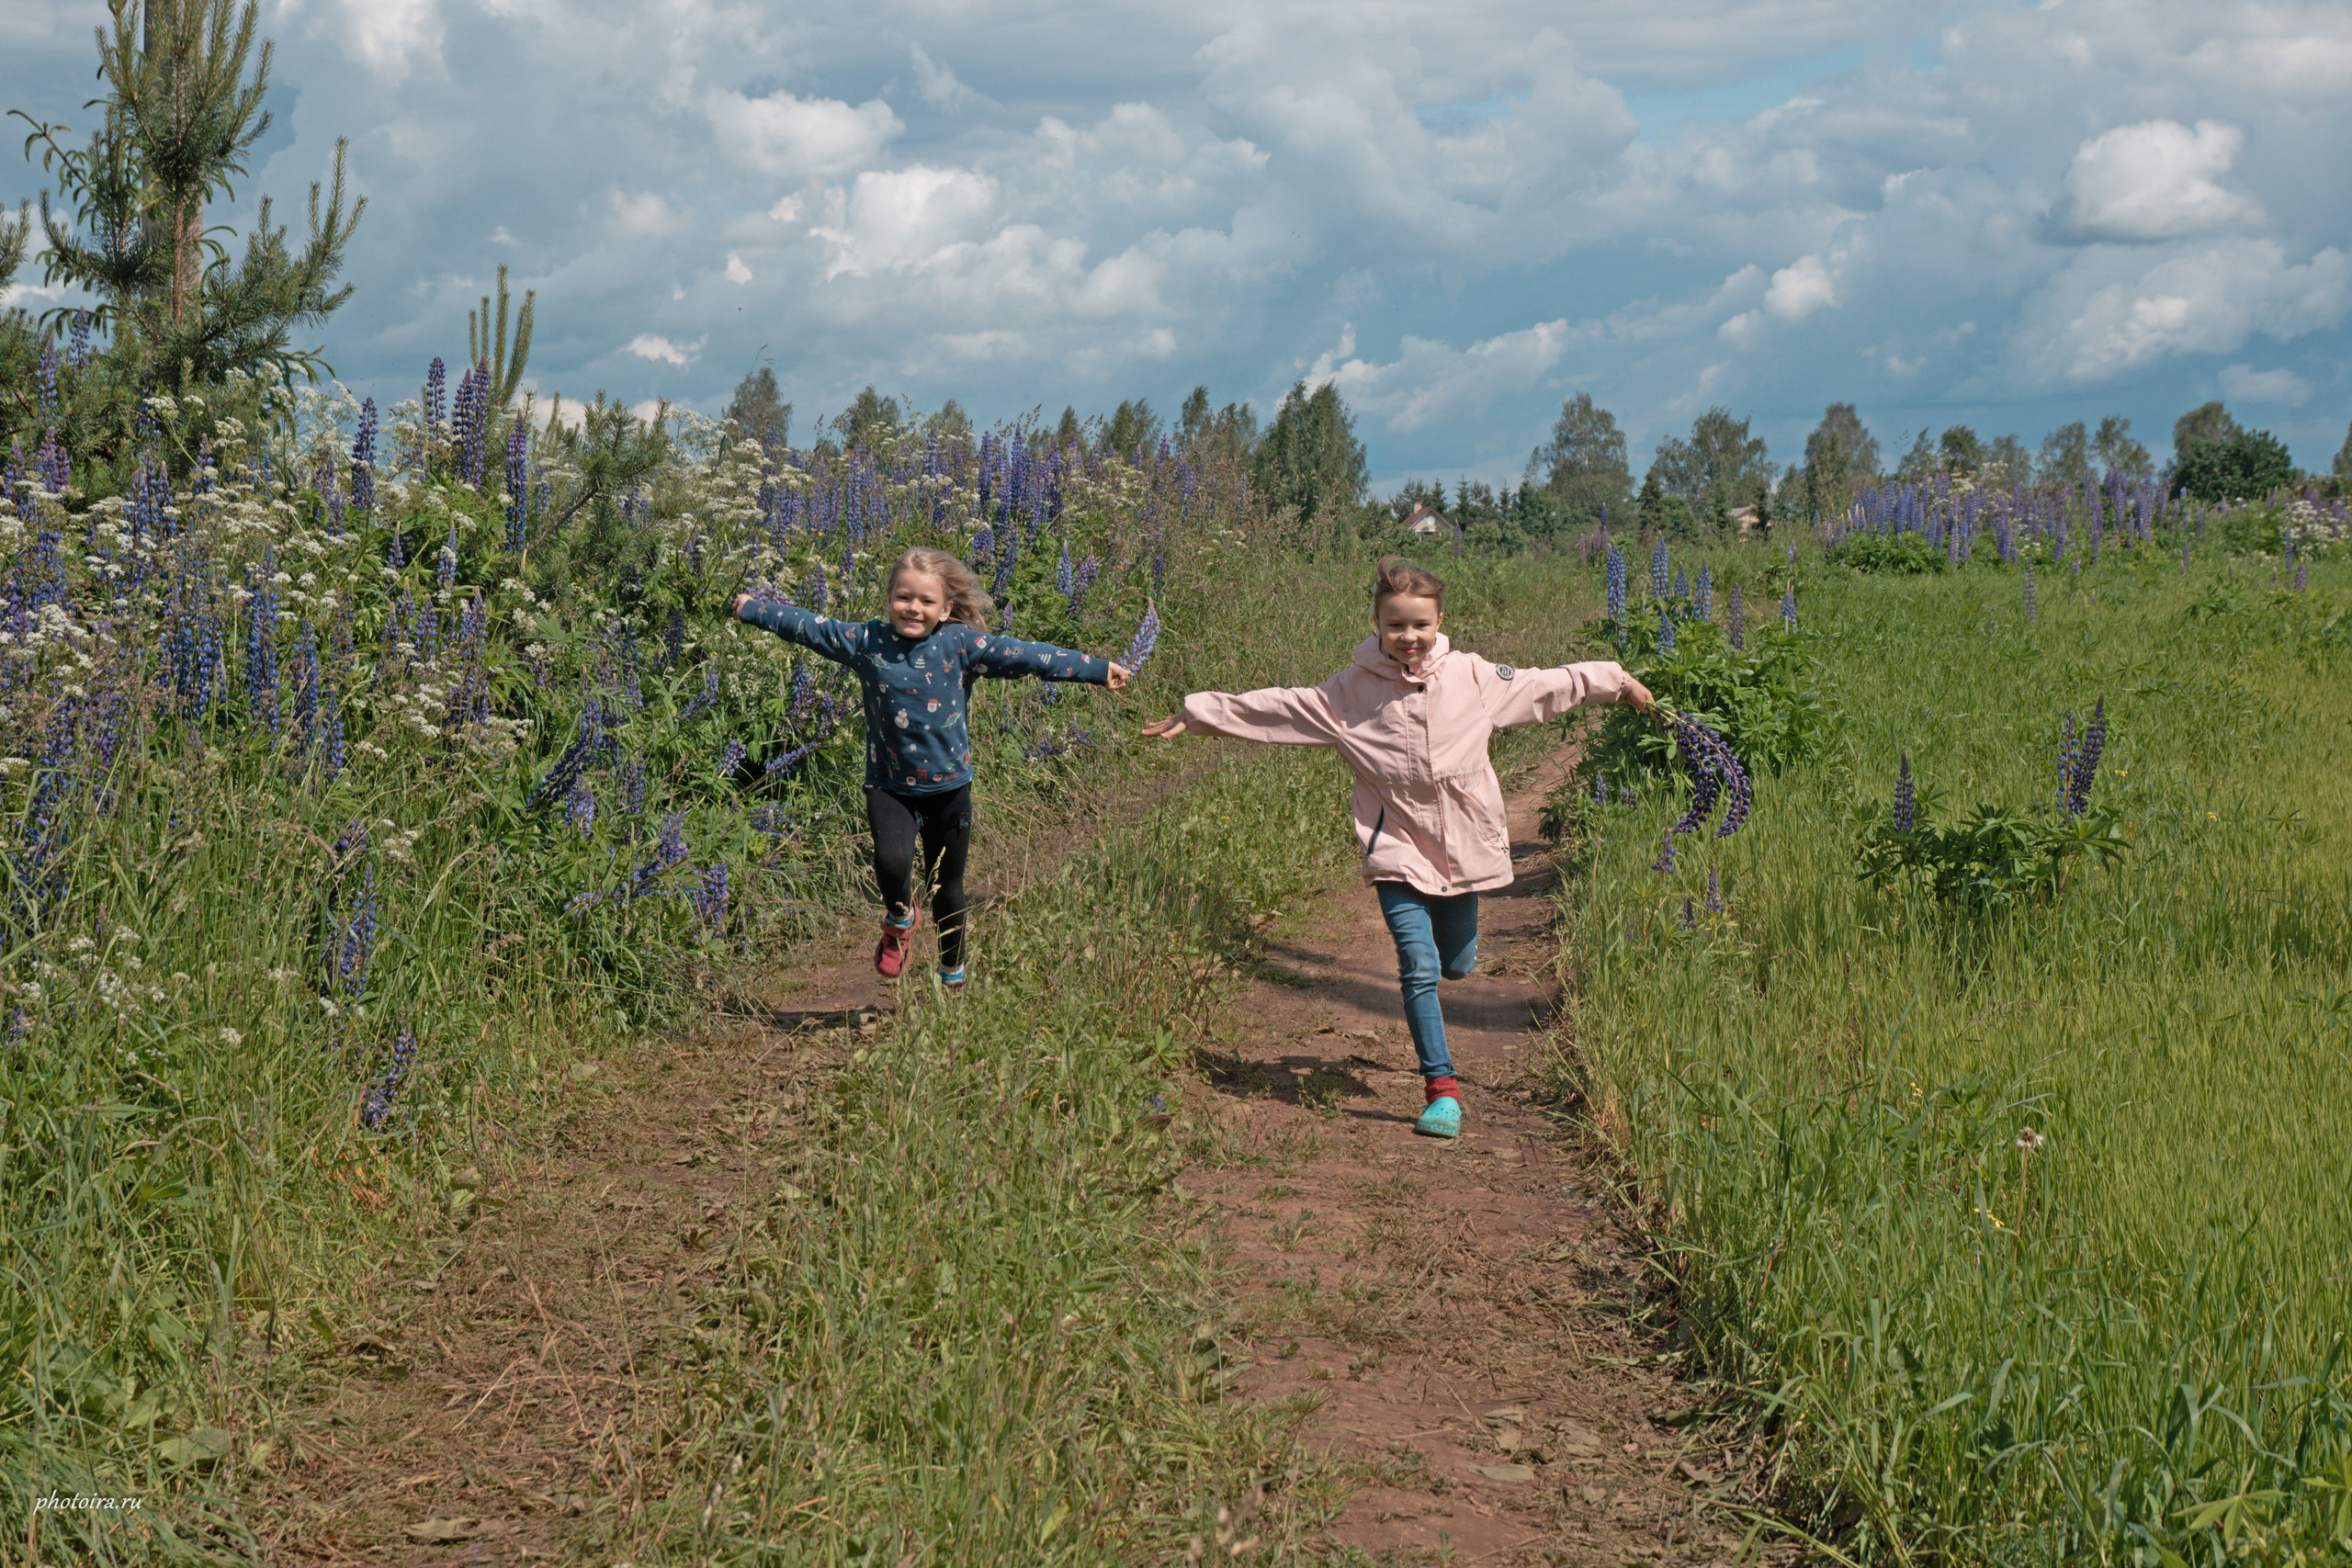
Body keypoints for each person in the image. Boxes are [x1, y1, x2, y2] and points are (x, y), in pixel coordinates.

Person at [1143, 558, 1652, 1138]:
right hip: (1397, 849)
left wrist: (1618, 681)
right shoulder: (1349, 692)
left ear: (1439, 623)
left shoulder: (1474, 677)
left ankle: (1450, 983)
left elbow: (1548, 684)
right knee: (1419, 965)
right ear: (1377, 625)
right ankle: (1442, 1090)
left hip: (1463, 849)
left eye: (1420, 626)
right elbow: (1282, 707)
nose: (1408, 638)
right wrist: (1200, 710)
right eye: (1395, 627)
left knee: (1457, 965)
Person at [734, 547, 1132, 992]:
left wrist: (1097, 669)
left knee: (948, 888)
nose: (913, 608)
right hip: (889, 785)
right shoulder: (868, 641)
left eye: (926, 601)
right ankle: (900, 917)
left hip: (949, 789)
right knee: (891, 863)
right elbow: (810, 627)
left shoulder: (961, 644)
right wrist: (754, 609)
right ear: (888, 600)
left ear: (945, 609)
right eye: (904, 597)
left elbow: (1028, 656)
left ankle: (952, 974)